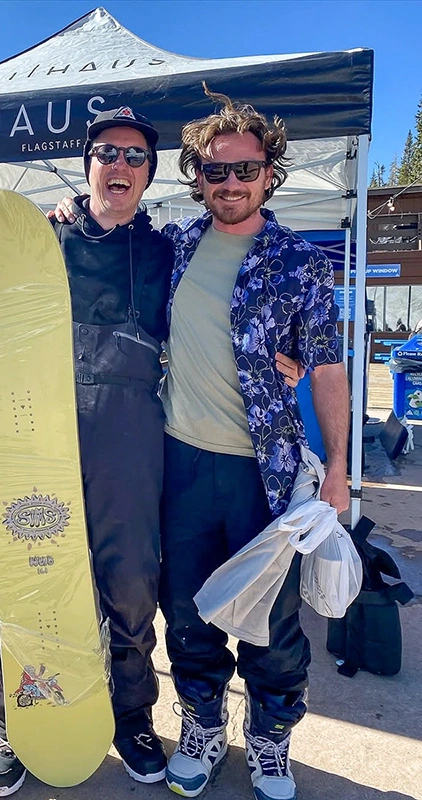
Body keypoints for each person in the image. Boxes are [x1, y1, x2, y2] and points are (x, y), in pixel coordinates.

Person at [0, 105, 303, 798]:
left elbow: (224, 312)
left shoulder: (172, 252)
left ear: (150, 176)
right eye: (108, 153)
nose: (121, 166)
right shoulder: (40, 242)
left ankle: (131, 718)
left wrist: (277, 355)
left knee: (133, 588)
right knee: (27, 581)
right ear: (87, 164)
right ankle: (14, 720)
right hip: (33, 441)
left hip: (129, 445)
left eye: (137, 158)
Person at [155, 91, 349, 800]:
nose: (229, 184)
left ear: (270, 173)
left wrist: (337, 471)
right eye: (214, 171)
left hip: (265, 476)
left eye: (245, 170)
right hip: (179, 463)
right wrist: (65, 217)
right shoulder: (173, 244)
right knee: (186, 610)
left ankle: (269, 739)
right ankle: (203, 725)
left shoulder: (301, 262)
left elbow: (326, 367)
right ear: (197, 176)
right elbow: (104, 252)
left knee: (272, 621)